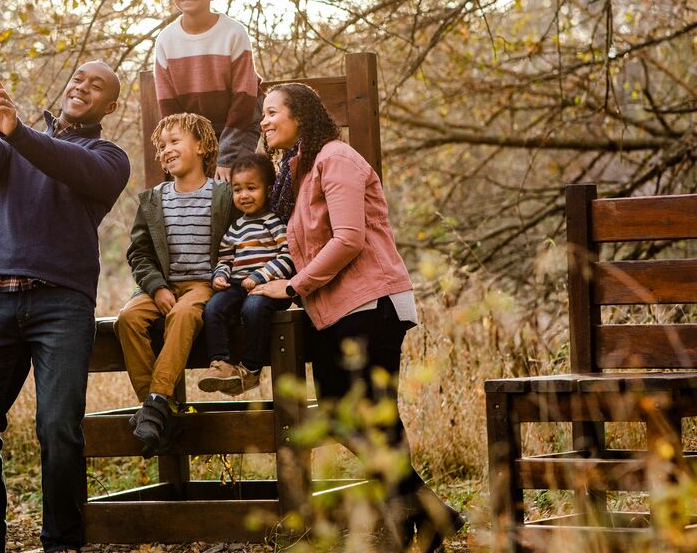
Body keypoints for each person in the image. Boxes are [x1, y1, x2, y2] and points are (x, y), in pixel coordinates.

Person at [250, 83, 465, 553]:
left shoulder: (336, 159)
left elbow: (348, 239)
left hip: (372, 307)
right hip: (333, 313)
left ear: (300, 117)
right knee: (338, 414)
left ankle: (408, 527)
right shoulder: (297, 172)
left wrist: (292, 287)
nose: (263, 122)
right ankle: (430, 513)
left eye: (271, 112)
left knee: (374, 418)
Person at [0, 61, 130, 553]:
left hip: (63, 305)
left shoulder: (109, 157)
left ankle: (62, 544)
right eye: (78, 79)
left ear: (109, 107)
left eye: (96, 86)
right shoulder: (15, 146)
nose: (82, 87)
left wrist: (17, 131)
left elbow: (71, 165)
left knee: (57, 428)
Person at [115, 112, 237, 455]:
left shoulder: (223, 195)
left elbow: (239, 241)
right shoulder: (153, 199)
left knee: (184, 315)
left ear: (202, 146)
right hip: (160, 286)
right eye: (162, 145)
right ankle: (156, 410)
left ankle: (153, 405)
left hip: (202, 284)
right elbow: (138, 253)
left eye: (175, 141)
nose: (166, 150)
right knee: (128, 319)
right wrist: (155, 287)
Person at [154, 0, 262, 180]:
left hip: (238, 126)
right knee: (193, 185)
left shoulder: (233, 33)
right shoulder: (166, 40)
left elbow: (244, 102)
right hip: (194, 131)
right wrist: (189, 151)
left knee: (228, 185)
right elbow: (170, 110)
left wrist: (225, 158)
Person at [198, 153, 294, 395]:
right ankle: (221, 363)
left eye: (252, 188)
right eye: (238, 189)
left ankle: (250, 369)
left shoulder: (274, 222)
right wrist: (220, 275)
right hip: (237, 284)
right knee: (213, 308)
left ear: (269, 190)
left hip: (269, 288)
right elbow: (226, 258)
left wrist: (261, 276)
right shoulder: (236, 227)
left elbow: (288, 257)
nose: (244, 195)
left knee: (252, 308)